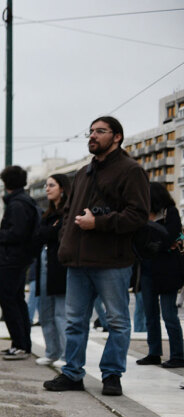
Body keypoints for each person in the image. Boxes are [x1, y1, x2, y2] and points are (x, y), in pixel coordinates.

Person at [44, 116, 149, 395]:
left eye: (100, 131)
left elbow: (138, 215)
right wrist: (65, 242)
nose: (93, 136)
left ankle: (112, 375)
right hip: (77, 261)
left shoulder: (131, 171)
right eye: (91, 131)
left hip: (112, 261)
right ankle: (72, 373)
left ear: (117, 137)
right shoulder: (82, 173)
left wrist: (99, 223)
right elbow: (68, 213)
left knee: (116, 320)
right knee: (75, 321)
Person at [0, 165, 39, 361]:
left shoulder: (17, 204)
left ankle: (19, 345)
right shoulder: (25, 201)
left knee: (9, 300)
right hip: (19, 258)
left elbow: (17, 233)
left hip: (12, 259)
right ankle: (22, 344)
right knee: (17, 301)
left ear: (6, 183)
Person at [135, 183, 184, 369]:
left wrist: (157, 244)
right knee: (150, 314)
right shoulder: (143, 214)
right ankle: (154, 352)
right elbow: (139, 239)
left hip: (168, 270)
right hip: (148, 268)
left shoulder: (169, 211)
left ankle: (178, 355)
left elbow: (171, 236)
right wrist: (158, 243)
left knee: (169, 314)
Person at [35, 174, 69, 367]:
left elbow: (51, 234)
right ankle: (52, 351)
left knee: (61, 313)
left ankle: (64, 354)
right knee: (45, 312)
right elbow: (40, 235)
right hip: (45, 262)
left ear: (62, 188)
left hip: (59, 265)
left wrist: (49, 232)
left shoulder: (66, 213)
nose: (47, 189)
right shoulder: (47, 215)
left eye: (51, 185)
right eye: (46, 185)